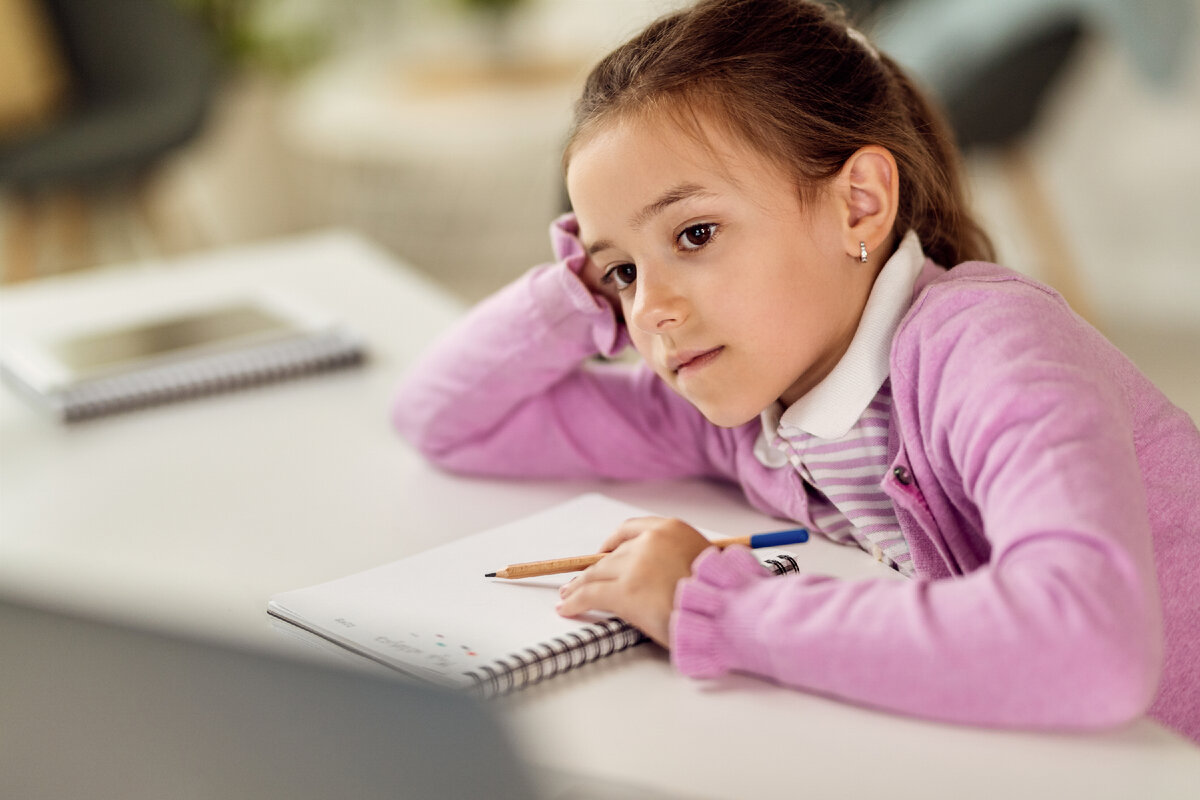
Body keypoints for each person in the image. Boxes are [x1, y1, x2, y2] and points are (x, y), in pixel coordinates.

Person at [392, 0, 1200, 742]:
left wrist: (717, 606)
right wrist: (579, 289)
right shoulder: (746, 412)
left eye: (696, 234)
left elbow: (1090, 650)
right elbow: (444, 419)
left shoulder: (990, 349)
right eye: (625, 275)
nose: (653, 311)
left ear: (859, 205)